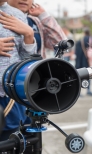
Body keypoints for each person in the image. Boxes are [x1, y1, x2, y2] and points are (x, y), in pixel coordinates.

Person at [0, 0, 36, 141]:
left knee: (10, 144)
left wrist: (29, 35)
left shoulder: (17, 15)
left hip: (10, 99)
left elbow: (27, 61)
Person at [75, 28, 92, 96]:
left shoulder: (80, 41)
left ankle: (79, 92)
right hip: (87, 61)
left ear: (84, 33)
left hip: (79, 62)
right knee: (89, 75)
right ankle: (88, 90)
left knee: (79, 76)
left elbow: (76, 52)